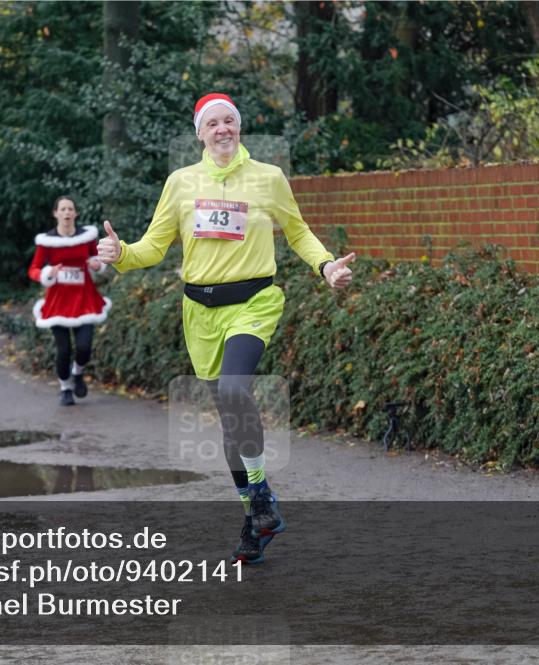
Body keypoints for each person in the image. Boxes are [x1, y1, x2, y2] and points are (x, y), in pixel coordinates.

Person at [98, 93, 355, 564]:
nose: (222, 129)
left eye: (229, 121)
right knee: (230, 420)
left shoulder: (267, 178)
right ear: (199, 133)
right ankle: (255, 520)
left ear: (239, 128)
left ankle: (260, 497)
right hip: (200, 313)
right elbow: (153, 248)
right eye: (212, 123)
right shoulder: (181, 183)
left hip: (254, 302)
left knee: (237, 392)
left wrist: (325, 266)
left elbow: (297, 231)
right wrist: (122, 255)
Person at [28, 196, 112, 406]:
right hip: (58, 302)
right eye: (63, 209)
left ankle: (78, 373)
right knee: (63, 350)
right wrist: (49, 272)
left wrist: (97, 264)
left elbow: (96, 258)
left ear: (75, 214)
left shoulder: (86, 237)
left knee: (84, 347)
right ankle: (65, 388)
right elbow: (33, 270)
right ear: (55, 213)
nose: (67, 213)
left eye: (70, 209)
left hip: (85, 299)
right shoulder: (47, 241)